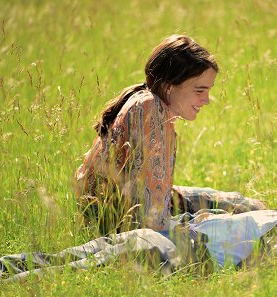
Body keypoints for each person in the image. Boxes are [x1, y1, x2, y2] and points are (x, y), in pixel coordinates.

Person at [0, 152, 277, 283]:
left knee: (66, 271)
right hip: (180, 237)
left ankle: (1, 279)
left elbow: (271, 257)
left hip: (185, 253)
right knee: (62, 259)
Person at [74, 35, 219, 235]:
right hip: (116, 227)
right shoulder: (150, 109)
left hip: (129, 216)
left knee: (237, 203)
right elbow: (152, 221)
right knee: (235, 219)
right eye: (200, 90)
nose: (206, 100)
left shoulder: (152, 105)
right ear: (170, 86)